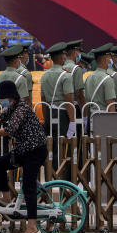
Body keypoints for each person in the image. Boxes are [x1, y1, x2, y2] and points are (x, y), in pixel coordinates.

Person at [0, 80, 48, 233]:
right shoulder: (12, 108)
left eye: (4, 98)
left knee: (28, 185)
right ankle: (6, 198)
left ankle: (32, 227)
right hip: (22, 150)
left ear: (11, 97)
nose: (3, 101)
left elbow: (9, 130)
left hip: (35, 151)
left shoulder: (22, 109)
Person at [38, 42, 76, 170]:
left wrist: (45, 118)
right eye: (64, 55)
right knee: (64, 145)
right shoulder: (66, 75)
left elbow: (43, 100)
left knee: (52, 145)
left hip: (49, 112)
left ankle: (52, 172)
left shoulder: (45, 76)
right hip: (63, 114)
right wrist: (72, 121)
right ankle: (63, 174)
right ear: (62, 58)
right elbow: (69, 100)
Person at [83, 44, 117, 122]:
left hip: (92, 116)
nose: (111, 60)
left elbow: (86, 100)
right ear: (105, 60)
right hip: (104, 119)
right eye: (110, 58)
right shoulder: (108, 79)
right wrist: (114, 122)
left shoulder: (89, 77)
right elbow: (110, 103)